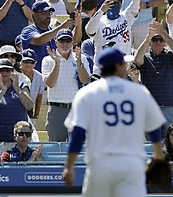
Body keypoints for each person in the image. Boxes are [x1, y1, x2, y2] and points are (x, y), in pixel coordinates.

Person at [62, 47, 166, 196]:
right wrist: (157, 155)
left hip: (100, 165)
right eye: (124, 64)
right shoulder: (138, 91)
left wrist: (69, 167)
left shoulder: (86, 93)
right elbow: (154, 128)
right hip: (131, 165)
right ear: (117, 66)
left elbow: (78, 134)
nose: (126, 67)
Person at [135, 19, 173, 132]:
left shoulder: (170, 56)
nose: (157, 42)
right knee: (151, 145)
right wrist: (148, 37)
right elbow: (137, 59)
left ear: (164, 42)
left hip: (170, 107)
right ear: (150, 42)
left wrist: (163, 33)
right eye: (154, 40)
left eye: (160, 40)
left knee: (172, 144)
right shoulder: (145, 58)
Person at [42, 29, 90, 142]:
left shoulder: (81, 58)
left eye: (68, 41)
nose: (64, 44)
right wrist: (57, 63)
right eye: (61, 41)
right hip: (57, 109)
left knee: (79, 147)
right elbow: (50, 83)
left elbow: (85, 80)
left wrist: (79, 64)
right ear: (56, 42)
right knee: (56, 147)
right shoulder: (48, 60)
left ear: (72, 42)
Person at [86, 0, 140, 65]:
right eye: (109, 3)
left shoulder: (126, 16)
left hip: (122, 67)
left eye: (115, 3)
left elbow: (136, 2)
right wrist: (101, 10)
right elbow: (89, 31)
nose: (112, 6)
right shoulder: (100, 20)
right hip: (102, 69)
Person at [0, 58, 33, 143]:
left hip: (18, 141)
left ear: (12, 72)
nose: (4, 73)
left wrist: (17, 88)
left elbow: (29, 106)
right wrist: (2, 92)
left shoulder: (22, 87)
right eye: (1, 70)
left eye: (7, 70)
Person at [20, 1, 79, 72]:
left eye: (49, 13)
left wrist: (78, 25)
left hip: (53, 75)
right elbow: (39, 40)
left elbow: (75, 40)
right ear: (34, 15)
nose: (48, 16)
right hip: (35, 75)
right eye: (44, 13)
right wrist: (61, 27)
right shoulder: (28, 30)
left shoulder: (54, 30)